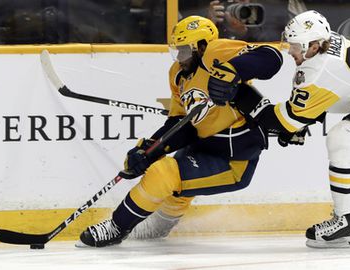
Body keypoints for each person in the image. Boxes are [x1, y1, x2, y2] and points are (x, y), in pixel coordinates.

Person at [208, 10, 350, 248]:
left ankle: (346, 221)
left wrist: (242, 95)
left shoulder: (315, 72)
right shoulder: (325, 47)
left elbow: (284, 123)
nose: (290, 50)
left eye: (295, 45)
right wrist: (302, 118)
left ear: (314, 46)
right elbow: (336, 90)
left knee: (343, 138)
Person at [77, 15, 283, 247]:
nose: (179, 58)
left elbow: (272, 57)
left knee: (165, 174)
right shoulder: (177, 74)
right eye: (176, 51)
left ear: (202, 46)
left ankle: (116, 228)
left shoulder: (217, 52)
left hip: (233, 160)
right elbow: (180, 122)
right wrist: (151, 148)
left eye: (184, 51)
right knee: (175, 183)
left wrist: (233, 71)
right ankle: (158, 228)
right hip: (203, 146)